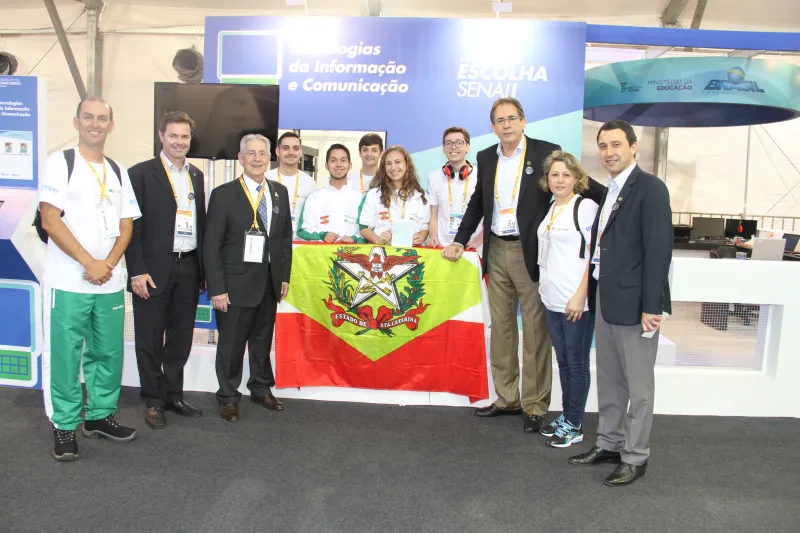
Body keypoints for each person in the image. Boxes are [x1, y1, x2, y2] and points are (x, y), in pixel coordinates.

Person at [442, 97, 605, 433]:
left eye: (512, 118)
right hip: (496, 250)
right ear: (492, 126)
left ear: (524, 121)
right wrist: (459, 240)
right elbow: (477, 205)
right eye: (500, 120)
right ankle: (506, 399)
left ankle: (534, 405)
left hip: (530, 252)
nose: (506, 125)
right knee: (500, 330)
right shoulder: (486, 158)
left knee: (534, 332)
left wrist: (619, 198)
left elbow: (578, 183)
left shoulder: (546, 152)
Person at [568, 120, 672, 487]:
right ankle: (610, 445)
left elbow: (658, 252)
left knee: (639, 388)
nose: (609, 152)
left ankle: (635, 456)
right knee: (611, 382)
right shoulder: (611, 190)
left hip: (636, 308)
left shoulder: (650, 189)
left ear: (633, 147)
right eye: (603, 145)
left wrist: (652, 306)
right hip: (607, 301)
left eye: (616, 144)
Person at [39, 97, 141, 461]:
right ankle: (64, 426)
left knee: (107, 352)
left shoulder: (117, 169)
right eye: (88, 117)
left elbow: (126, 223)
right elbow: (50, 219)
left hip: (109, 280)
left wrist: (109, 263)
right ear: (76, 121)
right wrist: (89, 262)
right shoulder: (61, 163)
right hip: (69, 280)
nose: (95, 124)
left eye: (102, 118)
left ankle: (99, 416)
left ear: (111, 125)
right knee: (66, 355)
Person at [125, 111, 206, 429]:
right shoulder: (140, 174)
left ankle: (173, 395)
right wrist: (136, 271)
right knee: (149, 337)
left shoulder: (196, 175)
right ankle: (153, 400)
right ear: (161, 136)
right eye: (173, 135)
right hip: (152, 271)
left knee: (181, 336)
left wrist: (202, 273)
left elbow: (200, 222)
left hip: (187, 266)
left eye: (184, 136)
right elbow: (131, 227)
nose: (179, 142)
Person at [204, 134, 293, 422]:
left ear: (270, 157)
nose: (257, 158)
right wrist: (217, 287)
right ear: (241, 158)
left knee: (261, 340)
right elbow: (211, 244)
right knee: (230, 344)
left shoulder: (279, 192)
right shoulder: (224, 193)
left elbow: (283, 240)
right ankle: (228, 396)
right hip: (234, 284)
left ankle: (260, 387)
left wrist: (283, 276)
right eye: (251, 153)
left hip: (268, 282)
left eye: (262, 153)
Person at [534, 151, 598, 448]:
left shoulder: (584, 207)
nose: (559, 180)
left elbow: (595, 255)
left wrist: (580, 294)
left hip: (575, 303)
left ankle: (574, 423)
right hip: (551, 300)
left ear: (577, 178)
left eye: (566, 175)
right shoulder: (551, 208)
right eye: (554, 175)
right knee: (563, 360)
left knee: (577, 361)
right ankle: (567, 415)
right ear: (547, 179)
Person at [358, 145, 430, 246]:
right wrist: (378, 240)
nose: (393, 167)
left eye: (397, 162)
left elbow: (424, 226)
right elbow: (364, 227)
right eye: (388, 163)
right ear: (383, 167)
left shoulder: (420, 196)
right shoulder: (374, 194)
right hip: (382, 253)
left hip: (411, 254)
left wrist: (421, 237)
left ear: (406, 164)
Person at [426, 127, 483, 251]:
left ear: (467, 147)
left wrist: (478, 241)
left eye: (459, 142)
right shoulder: (433, 177)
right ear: (443, 149)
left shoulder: (481, 175)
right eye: (449, 143)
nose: (453, 147)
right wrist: (433, 237)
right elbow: (434, 215)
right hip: (442, 246)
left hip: (472, 247)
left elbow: (490, 214)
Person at [298, 144, 366, 244]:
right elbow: (302, 231)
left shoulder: (360, 198)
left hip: (351, 256)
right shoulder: (314, 198)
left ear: (350, 165)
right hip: (320, 257)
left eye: (343, 160)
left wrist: (354, 239)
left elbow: (368, 232)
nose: (338, 164)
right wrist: (322, 235)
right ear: (326, 165)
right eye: (333, 160)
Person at [265, 131, 316, 239]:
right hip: (271, 242)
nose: (291, 152)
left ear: (301, 152)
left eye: (295, 148)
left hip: (300, 244)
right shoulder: (265, 178)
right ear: (277, 151)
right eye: (285, 148)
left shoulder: (310, 183)